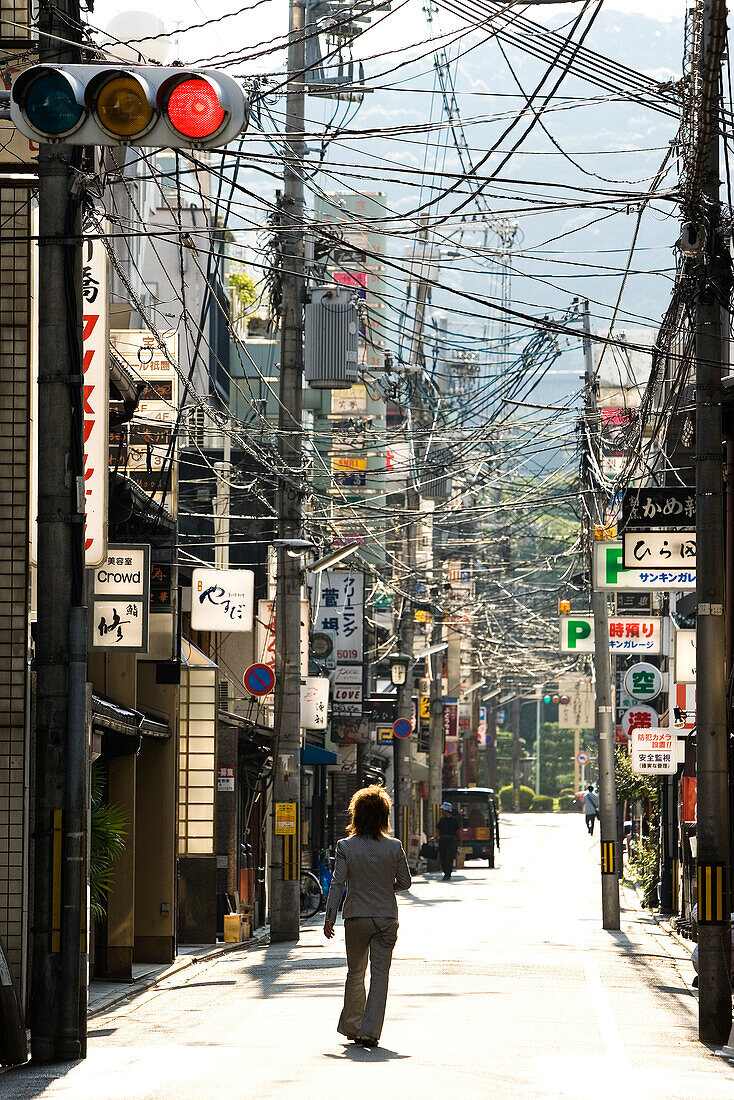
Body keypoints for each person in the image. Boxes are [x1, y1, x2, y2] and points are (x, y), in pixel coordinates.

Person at [324, 784, 412, 1048]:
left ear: (356, 816)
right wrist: (387, 887)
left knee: (355, 972)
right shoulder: (394, 846)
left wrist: (330, 916)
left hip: (356, 917)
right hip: (386, 917)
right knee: (380, 974)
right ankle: (370, 1031)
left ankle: (352, 1025)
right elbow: (405, 881)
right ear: (384, 816)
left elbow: (338, 883)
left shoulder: (345, 846)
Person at [433, 801, 461, 881]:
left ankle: (448, 873)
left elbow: (457, 832)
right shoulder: (442, 820)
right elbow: (438, 831)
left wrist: (460, 841)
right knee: (443, 857)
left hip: (451, 840)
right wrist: (434, 838)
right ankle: (445, 872)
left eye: (443, 810)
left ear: (447, 811)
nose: (442, 812)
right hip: (443, 840)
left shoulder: (454, 820)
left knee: (450, 857)